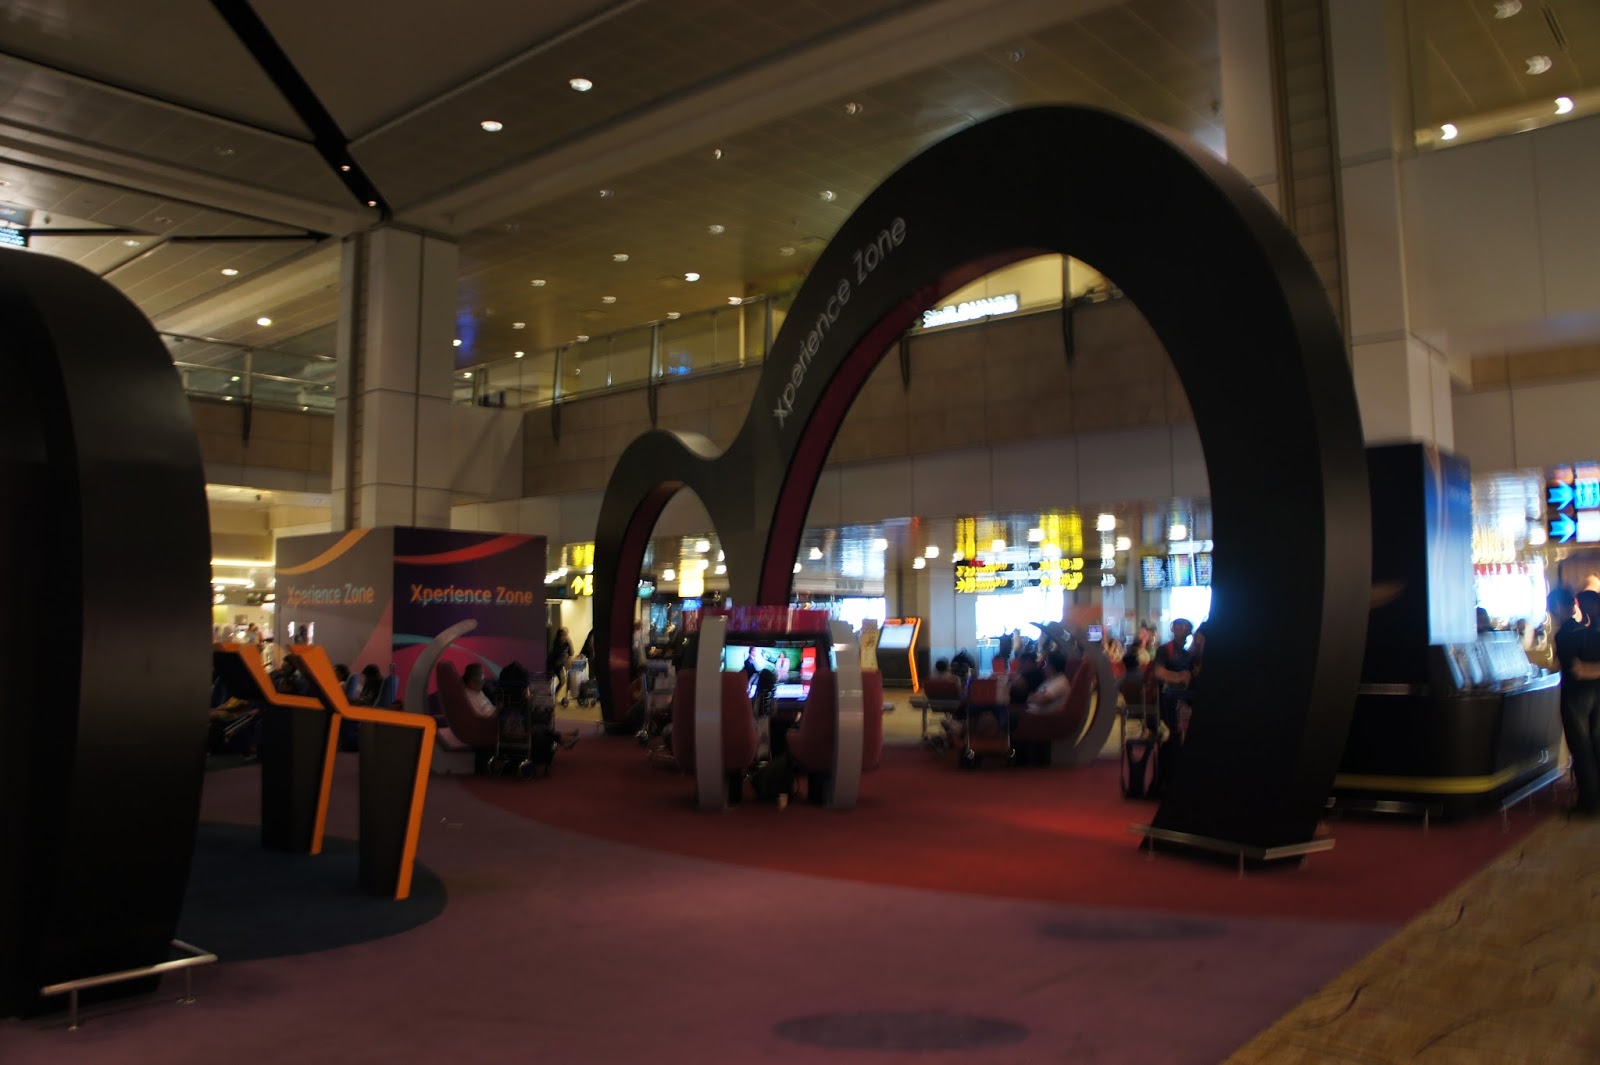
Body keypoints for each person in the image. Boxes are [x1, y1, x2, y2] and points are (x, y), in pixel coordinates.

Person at [1553, 587, 1600, 815]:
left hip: (1575, 696)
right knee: (1595, 745)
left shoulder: (1564, 635)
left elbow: (1577, 670)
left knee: (1581, 749)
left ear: (1557, 608)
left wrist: (1586, 670)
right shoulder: (1589, 632)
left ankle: (1589, 803)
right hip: (1596, 693)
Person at [549, 626, 574, 699]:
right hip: (553, 664)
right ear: (560, 635)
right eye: (564, 634)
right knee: (552, 681)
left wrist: (569, 642)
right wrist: (564, 658)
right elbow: (557, 655)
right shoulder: (557, 643)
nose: (566, 636)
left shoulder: (566, 642)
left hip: (560, 664)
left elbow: (572, 652)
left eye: (567, 634)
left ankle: (553, 696)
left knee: (562, 681)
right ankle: (552, 696)